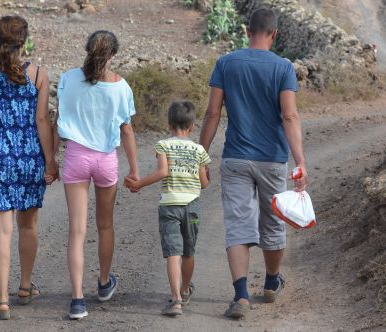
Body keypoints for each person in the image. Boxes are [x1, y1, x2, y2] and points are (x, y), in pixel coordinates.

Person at [199, 8, 309, 319]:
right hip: (272, 160)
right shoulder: (283, 68)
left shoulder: (226, 63)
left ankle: (241, 295)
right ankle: (272, 282)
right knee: (272, 222)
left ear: (248, 31)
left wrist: (201, 155)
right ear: (274, 34)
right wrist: (300, 160)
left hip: (235, 157)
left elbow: (212, 114)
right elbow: (289, 115)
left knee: (238, 224)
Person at [0, 15, 58, 320]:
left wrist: (0, 133)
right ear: (24, 41)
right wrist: (50, 160)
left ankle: (1, 300)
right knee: (28, 226)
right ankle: (24, 286)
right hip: (28, 158)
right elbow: (41, 121)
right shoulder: (38, 75)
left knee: (1, 231)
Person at [55, 30, 139, 320]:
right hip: (106, 160)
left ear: (87, 49)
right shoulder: (121, 86)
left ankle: (77, 300)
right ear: (113, 54)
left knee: (77, 231)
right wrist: (135, 170)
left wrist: (51, 160)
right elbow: (126, 130)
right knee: (105, 225)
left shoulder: (67, 79)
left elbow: (59, 121)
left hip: (76, 157)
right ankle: (103, 284)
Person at [125, 101, 211, 317]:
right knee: (188, 251)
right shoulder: (199, 150)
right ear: (192, 126)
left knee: (173, 253)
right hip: (191, 207)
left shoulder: (163, 145)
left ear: (169, 125)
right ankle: (185, 288)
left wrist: (139, 183)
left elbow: (163, 171)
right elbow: (204, 183)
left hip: (169, 205)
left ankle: (176, 300)